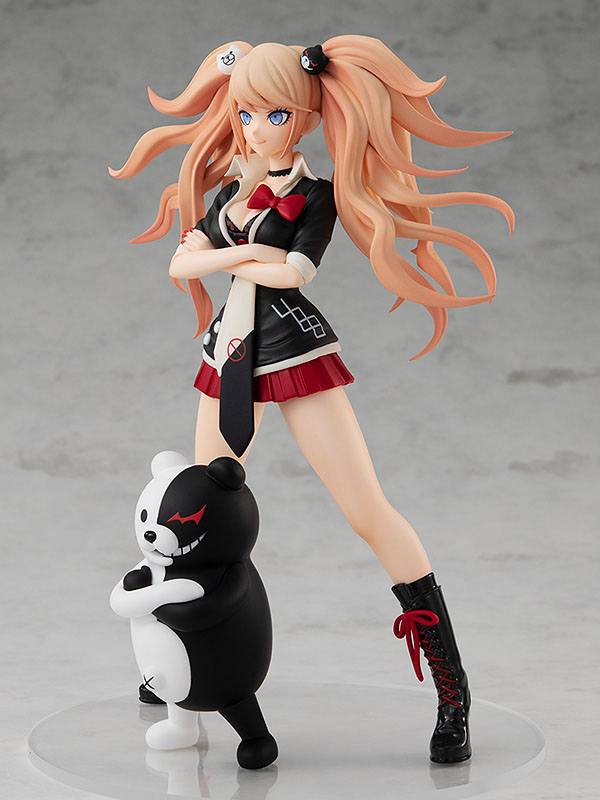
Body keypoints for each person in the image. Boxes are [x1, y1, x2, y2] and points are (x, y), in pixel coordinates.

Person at [109, 36, 514, 764]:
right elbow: (182, 262)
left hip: (292, 351)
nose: (255, 127)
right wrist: (244, 254)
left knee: (367, 510)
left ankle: (452, 689)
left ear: (302, 118)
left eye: (272, 114)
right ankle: (187, 660)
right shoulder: (231, 191)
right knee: (198, 509)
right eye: (246, 113)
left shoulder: (314, 195)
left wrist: (236, 256)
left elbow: (296, 273)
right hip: (228, 352)